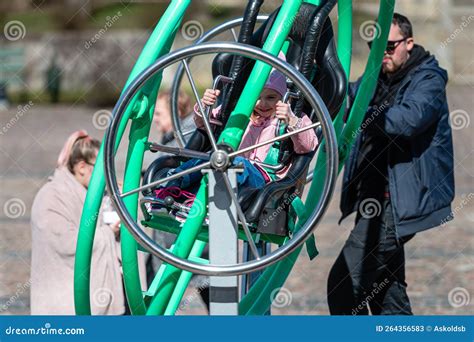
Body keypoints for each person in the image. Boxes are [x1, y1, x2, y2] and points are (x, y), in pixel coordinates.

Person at [328, 13, 454, 315]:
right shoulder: (375, 78)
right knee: (386, 294)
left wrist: (361, 114)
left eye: (390, 46)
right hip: (370, 198)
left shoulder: (429, 79)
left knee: (344, 284)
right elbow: (345, 99)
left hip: (396, 204)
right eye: (375, 46)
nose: (382, 53)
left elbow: (408, 120)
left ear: (409, 43)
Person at [165, 70, 318, 191]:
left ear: (284, 98)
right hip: (228, 166)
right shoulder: (241, 112)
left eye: (271, 97)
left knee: (233, 163)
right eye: (257, 97)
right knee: (211, 158)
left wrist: (291, 119)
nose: (262, 104)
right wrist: (205, 105)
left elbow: (308, 145)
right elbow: (205, 125)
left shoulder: (288, 118)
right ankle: (173, 182)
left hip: (263, 177)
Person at [30, 131, 125, 315]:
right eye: (101, 170)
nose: (106, 176)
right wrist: (108, 234)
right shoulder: (51, 197)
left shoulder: (91, 193)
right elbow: (65, 243)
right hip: (60, 305)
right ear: (82, 167)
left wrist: (118, 200)